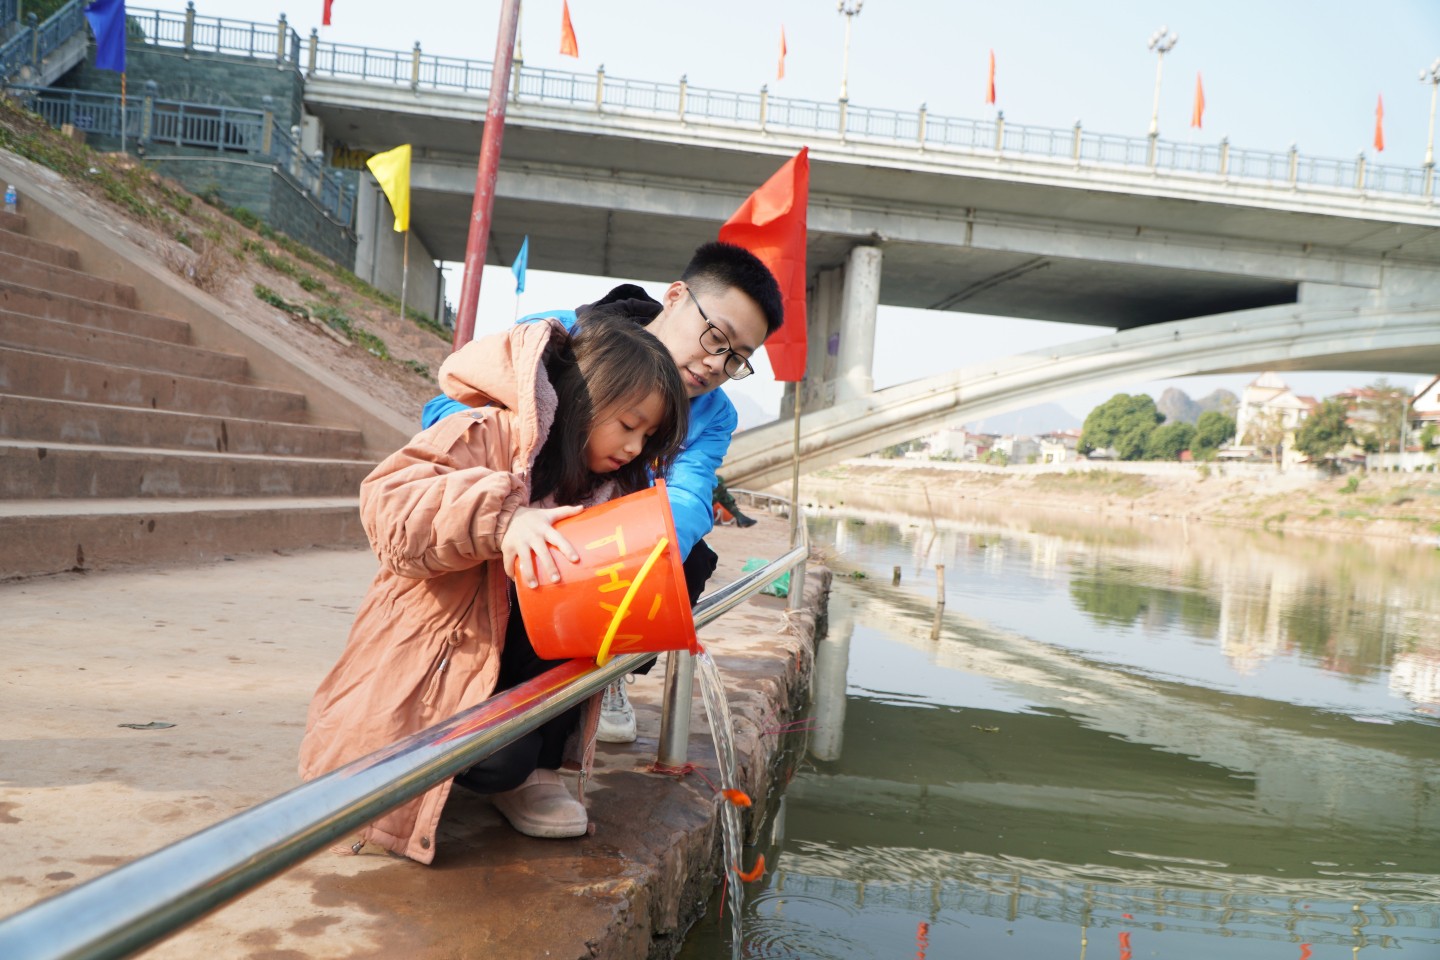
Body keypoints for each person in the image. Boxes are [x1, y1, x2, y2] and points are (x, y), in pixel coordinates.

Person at [298, 314, 689, 861]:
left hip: (512, 672)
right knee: (494, 757)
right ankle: (429, 768)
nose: (633, 446)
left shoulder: (610, 487)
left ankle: (528, 771)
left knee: (511, 756)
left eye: (648, 437)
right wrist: (503, 519)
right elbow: (386, 503)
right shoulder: (486, 432)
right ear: (585, 394)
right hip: (432, 666)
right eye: (628, 423)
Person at [421, 242, 785, 743]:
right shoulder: (566, 337)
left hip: (606, 543)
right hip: (524, 516)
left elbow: (692, 494)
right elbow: (447, 414)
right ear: (676, 296)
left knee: (689, 561)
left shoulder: (715, 414)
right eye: (715, 336)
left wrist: (637, 558)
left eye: (737, 357)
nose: (715, 363)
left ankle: (605, 676)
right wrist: (518, 496)